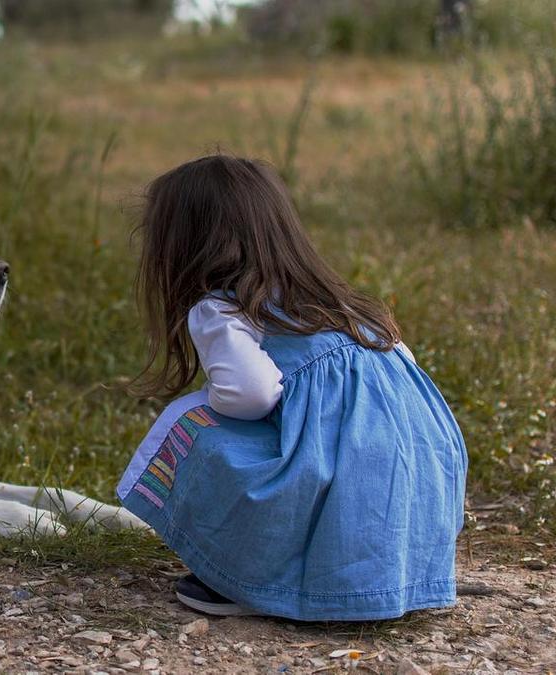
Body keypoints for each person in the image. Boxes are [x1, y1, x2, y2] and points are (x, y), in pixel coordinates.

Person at [117, 154, 467, 621]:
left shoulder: (222, 309)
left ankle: (249, 578)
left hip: (341, 480)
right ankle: (385, 574)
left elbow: (252, 394)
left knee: (192, 424)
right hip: (419, 478)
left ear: (184, 246)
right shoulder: (341, 304)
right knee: (338, 450)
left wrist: (213, 403)